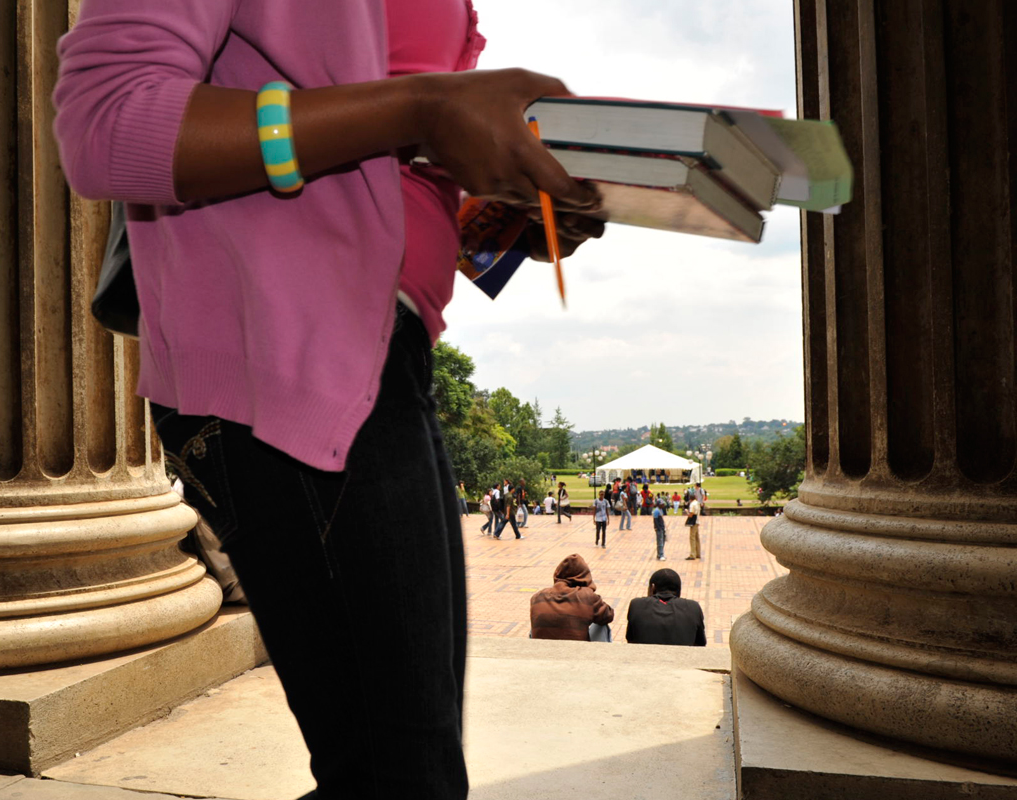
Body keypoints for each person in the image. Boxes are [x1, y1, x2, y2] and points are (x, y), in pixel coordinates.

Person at [55, 3, 609, 795]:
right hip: (284, 356)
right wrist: (421, 108)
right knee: (401, 775)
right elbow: (109, 125)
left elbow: (383, 181)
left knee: (384, 768)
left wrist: (500, 210)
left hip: (378, 361)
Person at [529, 554, 615, 641]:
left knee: (538, 622)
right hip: (576, 651)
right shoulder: (587, 596)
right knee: (602, 625)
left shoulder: (537, 597)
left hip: (541, 651)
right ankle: (601, 653)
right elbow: (609, 615)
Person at [624, 569, 706, 646]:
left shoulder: (637, 605)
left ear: (652, 587)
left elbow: (631, 640)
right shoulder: (693, 607)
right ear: (679, 590)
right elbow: (700, 644)